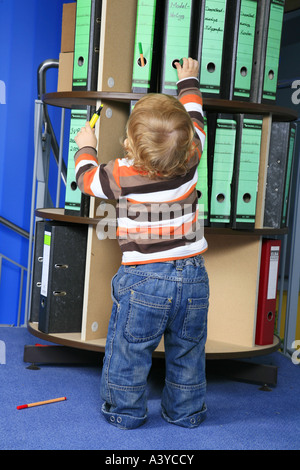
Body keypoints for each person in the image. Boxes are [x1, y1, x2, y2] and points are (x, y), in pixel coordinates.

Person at [74, 58, 209, 429]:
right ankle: (186, 412)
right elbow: (196, 117)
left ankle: (125, 411)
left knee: (129, 350)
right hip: (194, 277)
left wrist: (86, 146)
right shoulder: (194, 155)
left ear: (130, 144)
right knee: (188, 351)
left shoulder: (120, 174)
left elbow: (87, 180)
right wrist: (188, 80)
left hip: (143, 278)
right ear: (186, 141)